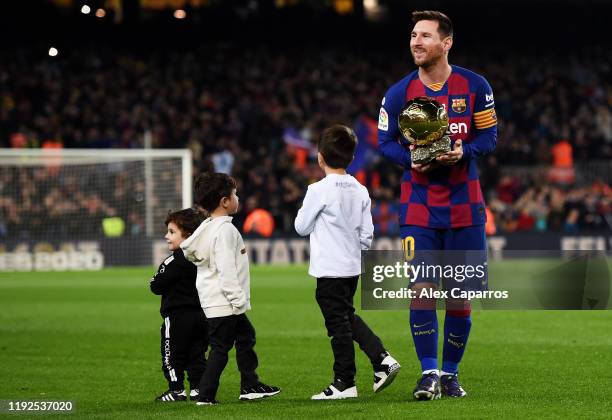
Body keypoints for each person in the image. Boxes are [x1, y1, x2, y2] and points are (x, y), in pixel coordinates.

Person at [378, 10, 497, 400]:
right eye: (413, 35)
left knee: (460, 296)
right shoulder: (398, 93)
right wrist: (408, 159)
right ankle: (428, 374)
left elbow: (489, 137)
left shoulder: (475, 86)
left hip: (466, 207)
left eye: (425, 36)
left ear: (446, 43)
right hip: (418, 209)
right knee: (422, 291)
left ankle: (450, 374)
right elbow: (385, 143)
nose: (416, 41)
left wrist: (464, 151)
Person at [295, 125, 401, 400]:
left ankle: (345, 382)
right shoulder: (360, 189)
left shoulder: (318, 190)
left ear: (319, 158)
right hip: (352, 267)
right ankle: (381, 359)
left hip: (329, 268)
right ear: (352, 158)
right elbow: (367, 236)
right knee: (345, 316)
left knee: (337, 325)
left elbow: (301, 227)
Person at [180, 172, 280, 405]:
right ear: (225, 201)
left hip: (214, 300)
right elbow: (226, 270)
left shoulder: (207, 228)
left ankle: (250, 385)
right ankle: (206, 395)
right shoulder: (226, 231)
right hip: (226, 302)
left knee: (245, 336)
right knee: (220, 350)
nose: (238, 198)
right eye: (234, 194)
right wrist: (238, 301)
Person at [150, 208, 208, 402]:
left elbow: (156, 286)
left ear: (188, 235)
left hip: (176, 317)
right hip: (202, 315)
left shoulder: (173, 260)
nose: (167, 236)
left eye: (172, 232)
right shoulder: (203, 259)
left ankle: (176, 390)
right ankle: (197, 388)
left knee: (171, 354)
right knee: (197, 354)